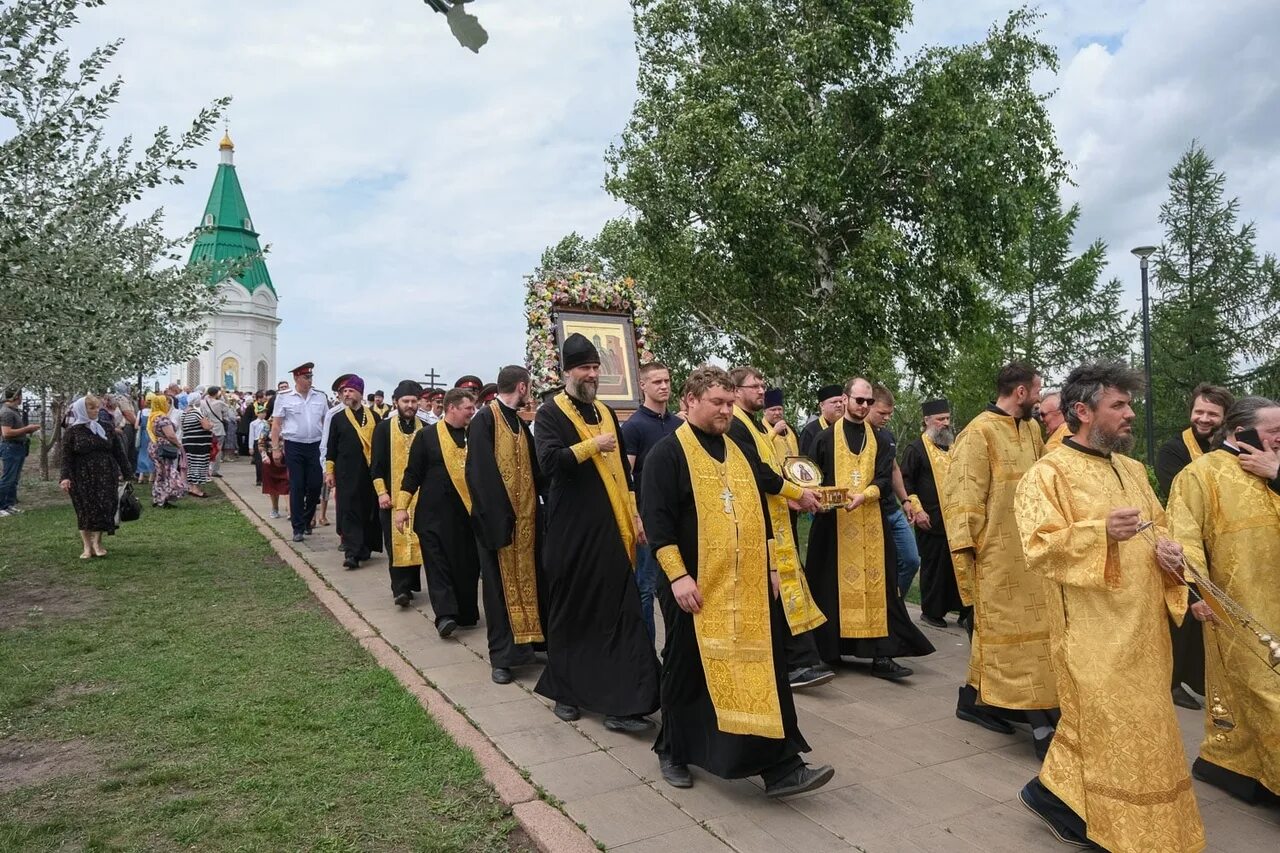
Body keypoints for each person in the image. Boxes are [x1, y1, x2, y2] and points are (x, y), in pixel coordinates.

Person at [1014, 361, 1207, 853]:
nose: (1130, 414)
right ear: (1082, 410)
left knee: (1141, 726)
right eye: (1118, 405)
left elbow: (1157, 524)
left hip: (1144, 625)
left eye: (1129, 403)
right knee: (1114, 727)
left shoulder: (1132, 468)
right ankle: (1119, 826)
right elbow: (1039, 546)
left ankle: (1053, 797)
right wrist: (1099, 531)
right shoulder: (1047, 473)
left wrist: (1167, 548)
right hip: (1092, 630)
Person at [641, 365, 836, 797]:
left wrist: (770, 568)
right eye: (718, 403)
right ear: (690, 402)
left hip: (746, 584)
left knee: (762, 671)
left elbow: (759, 511)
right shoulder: (666, 454)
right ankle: (673, 750)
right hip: (693, 586)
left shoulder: (739, 450)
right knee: (686, 668)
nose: (726, 411)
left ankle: (781, 766)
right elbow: (657, 523)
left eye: (730, 404)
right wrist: (677, 576)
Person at [533, 334, 660, 730]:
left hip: (612, 528)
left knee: (620, 611)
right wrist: (591, 446)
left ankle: (625, 701)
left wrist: (636, 516)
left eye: (595, 368)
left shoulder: (605, 411)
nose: (591, 375)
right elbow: (549, 464)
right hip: (572, 530)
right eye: (584, 368)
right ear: (567, 371)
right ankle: (566, 692)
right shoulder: (549, 413)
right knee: (573, 610)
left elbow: (624, 470)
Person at [1167, 396, 1280, 805]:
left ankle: (1244, 768)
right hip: (1240, 608)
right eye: (1274, 432)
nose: (1279, 440)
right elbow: (1184, 539)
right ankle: (1236, 766)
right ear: (1240, 431)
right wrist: (1198, 595)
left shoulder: (1275, 469)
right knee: (1265, 693)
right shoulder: (1200, 475)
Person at [943, 361, 1057, 755]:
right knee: (1010, 637)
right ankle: (1042, 722)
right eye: (1038, 390)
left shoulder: (1032, 429)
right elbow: (962, 500)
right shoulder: (977, 433)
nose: (1041, 399)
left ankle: (973, 700)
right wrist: (968, 556)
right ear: (1021, 392)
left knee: (1029, 635)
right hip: (995, 554)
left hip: (1030, 550)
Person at [805, 377, 935, 678]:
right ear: (846, 398)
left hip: (871, 523)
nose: (864, 406)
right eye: (859, 400)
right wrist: (819, 497)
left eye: (868, 402)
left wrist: (865, 496)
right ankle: (828, 651)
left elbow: (883, 479)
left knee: (881, 588)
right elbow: (811, 476)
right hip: (832, 526)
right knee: (826, 586)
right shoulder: (824, 438)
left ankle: (881, 656)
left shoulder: (882, 438)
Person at [727, 366, 830, 690]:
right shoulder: (736, 425)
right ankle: (790, 662)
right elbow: (758, 473)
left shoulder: (755, 425)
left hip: (777, 515)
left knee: (786, 585)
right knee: (776, 587)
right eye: (754, 386)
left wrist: (791, 496)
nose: (761, 390)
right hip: (758, 521)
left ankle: (799, 659)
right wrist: (797, 493)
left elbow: (774, 470)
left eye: (762, 384)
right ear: (735, 389)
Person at [464, 365, 545, 684]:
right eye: (530, 387)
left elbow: (534, 469)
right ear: (522, 387)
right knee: (498, 591)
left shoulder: (518, 422)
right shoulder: (486, 418)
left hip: (526, 523)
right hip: (498, 524)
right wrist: (500, 519)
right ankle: (502, 657)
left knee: (530, 583)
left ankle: (527, 645)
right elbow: (480, 473)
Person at [1155, 383, 1233, 711]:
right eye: (1198, 411)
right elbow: (1181, 494)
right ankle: (1172, 681)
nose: (1203, 418)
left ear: (1225, 418)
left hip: (1225, 543)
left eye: (1212, 414)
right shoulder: (1174, 450)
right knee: (1185, 617)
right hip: (1186, 543)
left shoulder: (1232, 447)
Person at [398, 388, 481, 631]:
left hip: (466, 517)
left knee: (466, 567)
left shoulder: (475, 435)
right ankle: (444, 616)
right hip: (432, 517)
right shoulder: (427, 436)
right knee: (438, 567)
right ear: (452, 408)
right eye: (468, 408)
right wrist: (402, 507)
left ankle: (464, 613)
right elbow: (412, 473)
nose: (472, 413)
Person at [620, 361, 682, 644]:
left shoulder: (679, 425)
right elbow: (627, 476)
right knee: (646, 587)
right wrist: (637, 517)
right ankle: (648, 653)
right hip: (649, 518)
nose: (664, 386)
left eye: (667, 381)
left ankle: (679, 648)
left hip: (680, 516)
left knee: (680, 583)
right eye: (657, 382)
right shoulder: (634, 427)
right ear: (642, 385)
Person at [900, 398, 968, 629]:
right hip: (930, 519)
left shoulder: (953, 446)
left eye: (947, 418)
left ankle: (963, 610)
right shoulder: (915, 449)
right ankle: (932, 611)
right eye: (940, 419)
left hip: (956, 521)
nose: (945, 423)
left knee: (958, 566)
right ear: (927, 420)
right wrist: (917, 510)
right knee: (935, 567)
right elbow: (906, 483)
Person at [371, 381, 425, 606]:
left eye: (414, 401)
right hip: (392, 497)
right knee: (395, 541)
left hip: (420, 497)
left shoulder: (427, 428)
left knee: (418, 539)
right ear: (396, 402)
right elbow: (376, 465)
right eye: (406, 401)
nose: (410, 405)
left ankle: (411, 583)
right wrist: (382, 493)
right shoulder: (384, 428)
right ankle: (400, 589)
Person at [866, 385, 922, 597]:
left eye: (890, 413)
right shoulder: (859, 435)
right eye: (882, 413)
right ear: (869, 406)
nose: (887, 417)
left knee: (911, 560)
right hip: (871, 510)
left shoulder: (888, 436)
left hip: (893, 510)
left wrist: (905, 500)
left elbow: (894, 468)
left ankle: (895, 605)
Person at [60, 396, 132, 558]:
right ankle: (86, 546)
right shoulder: (73, 431)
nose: (95, 411)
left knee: (103, 507)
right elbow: (66, 457)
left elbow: (118, 451)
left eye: (97, 408)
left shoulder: (106, 427)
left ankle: (97, 543)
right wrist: (65, 477)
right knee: (84, 509)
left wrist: (127, 471)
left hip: (106, 473)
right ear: (81, 410)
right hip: (81, 475)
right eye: (91, 408)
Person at [324, 374, 382, 570]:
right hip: (346, 473)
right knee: (348, 511)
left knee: (367, 510)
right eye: (344, 391)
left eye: (350, 390)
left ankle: (363, 547)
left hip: (368, 473)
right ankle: (351, 552)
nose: (346, 394)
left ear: (360, 393)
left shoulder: (374, 417)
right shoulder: (338, 418)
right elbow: (331, 447)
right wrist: (329, 472)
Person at [271, 362, 329, 542]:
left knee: (314, 485)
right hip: (294, 445)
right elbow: (277, 424)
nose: (309, 380)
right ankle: (298, 527)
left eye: (311, 377)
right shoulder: (284, 397)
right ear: (296, 378)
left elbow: (326, 423)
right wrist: (275, 448)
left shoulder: (320, 396)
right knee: (297, 486)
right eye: (306, 377)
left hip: (315, 446)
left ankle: (307, 518)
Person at [1, 387, 40, 517]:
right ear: (17, 397)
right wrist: (27, 429)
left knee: (14, 479)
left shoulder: (13, 411)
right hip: (11, 447)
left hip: (19, 447)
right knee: (8, 478)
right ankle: (1, 506)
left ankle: (10, 504)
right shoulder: (6, 412)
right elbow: (6, 433)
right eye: (21, 396)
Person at [146, 394, 187, 507]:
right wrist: (178, 444)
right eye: (166, 402)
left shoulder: (153, 416)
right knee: (167, 472)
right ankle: (164, 498)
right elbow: (170, 435)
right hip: (164, 448)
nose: (168, 405)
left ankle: (158, 496)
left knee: (160, 473)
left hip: (154, 446)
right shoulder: (162, 418)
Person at [180, 395, 214, 499]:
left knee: (191, 463)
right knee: (198, 464)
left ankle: (191, 487)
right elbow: (206, 426)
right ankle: (196, 488)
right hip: (199, 443)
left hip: (188, 442)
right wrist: (211, 424)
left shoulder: (184, 413)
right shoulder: (196, 413)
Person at [798, 384, 844, 457]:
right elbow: (805, 462)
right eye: (834, 402)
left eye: (841, 402)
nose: (839, 405)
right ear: (822, 405)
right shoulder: (810, 431)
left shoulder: (847, 427)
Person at [762, 388, 798, 467]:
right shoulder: (760, 428)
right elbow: (761, 448)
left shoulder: (790, 428)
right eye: (773, 410)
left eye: (780, 409)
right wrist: (774, 431)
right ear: (764, 412)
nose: (777, 413)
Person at [134, 396, 155, 485]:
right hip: (152, 435)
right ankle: (151, 476)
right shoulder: (154, 413)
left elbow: (136, 425)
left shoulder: (140, 412)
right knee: (152, 454)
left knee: (142, 454)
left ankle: (141, 476)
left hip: (142, 435)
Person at [248, 406, 268, 486]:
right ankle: (259, 479)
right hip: (257, 441)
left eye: (265, 412)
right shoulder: (253, 423)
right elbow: (251, 435)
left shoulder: (266, 423)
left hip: (265, 442)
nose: (264, 414)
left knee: (266, 461)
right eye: (262, 412)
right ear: (258, 413)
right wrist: (251, 447)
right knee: (259, 462)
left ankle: (266, 479)